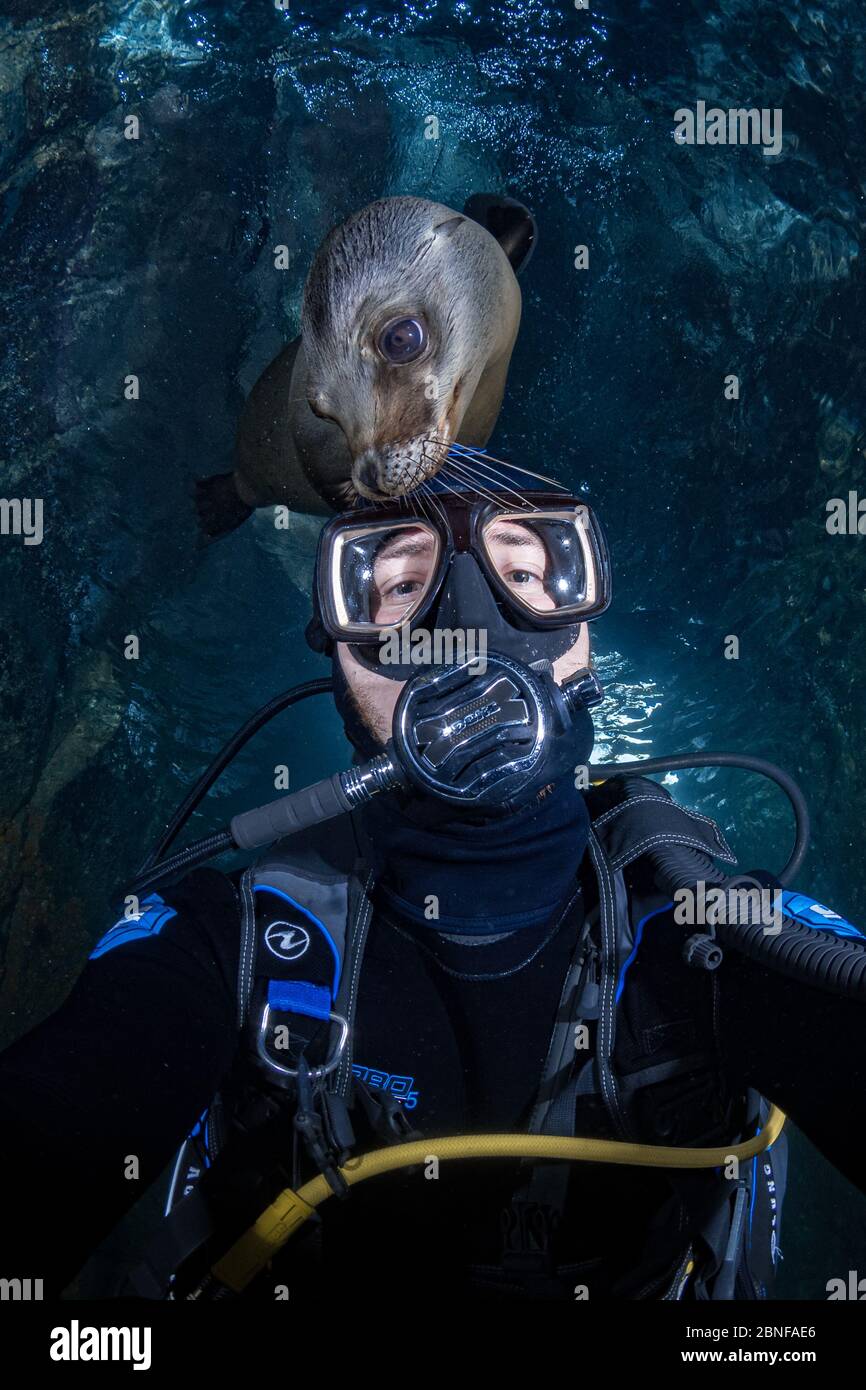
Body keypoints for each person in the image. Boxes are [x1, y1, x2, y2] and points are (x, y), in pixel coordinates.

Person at [1, 462, 865, 1304]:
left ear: (585, 647)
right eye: (399, 586)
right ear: (339, 663)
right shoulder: (229, 946)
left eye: (525, 572)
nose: (471, 619)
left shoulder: (711, 931)